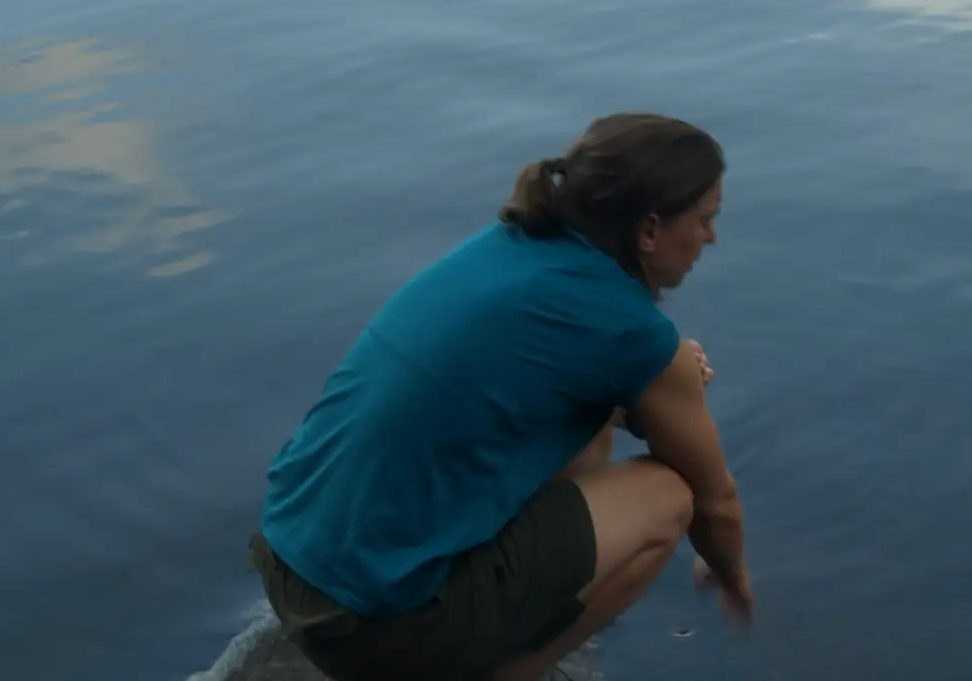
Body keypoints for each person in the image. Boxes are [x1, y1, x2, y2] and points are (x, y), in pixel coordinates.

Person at [247, 112, 753, 681]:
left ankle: (512, 607)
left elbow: (551, 377)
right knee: (670, 496)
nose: (712, 237)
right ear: (651, 230)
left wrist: (652, 384)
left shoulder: (512, 246)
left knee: (588, 414)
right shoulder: (631, 333)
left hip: (290, 563)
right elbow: (716, 503)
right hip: (375, 628)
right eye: (705, 220)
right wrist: (734, 581)